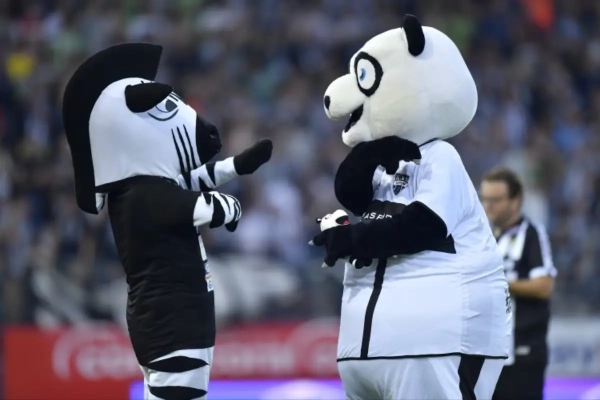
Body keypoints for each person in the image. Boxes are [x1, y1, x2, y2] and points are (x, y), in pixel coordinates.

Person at [480, 167, 557, 400]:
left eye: (496, 200)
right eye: (484, 199)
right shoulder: (481, 237)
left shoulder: (532, 234)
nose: (488, 206)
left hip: (524, 354)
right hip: (487, 353)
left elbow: (544, 285)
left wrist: (500, 283)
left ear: (516, 201)